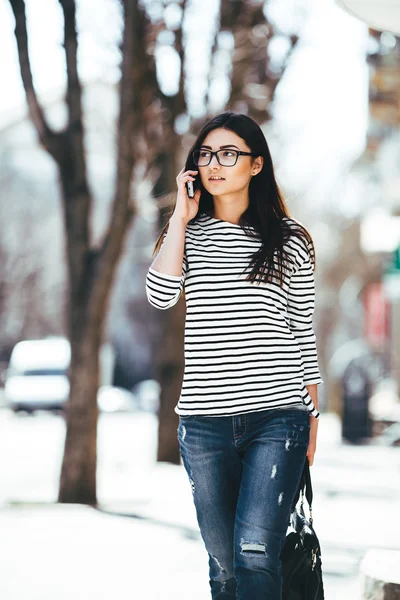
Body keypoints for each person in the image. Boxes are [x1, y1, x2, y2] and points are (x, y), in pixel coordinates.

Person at [145, 111, 322, 600]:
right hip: (203, 425)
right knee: (224, 568)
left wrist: (312, 417)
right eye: (205, 155)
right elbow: (160, 294)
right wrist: (180, 216)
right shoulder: (189, 235)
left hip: (277, 419)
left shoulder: (290, 240)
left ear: (257, 164)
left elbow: (301, 335)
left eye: (228, 154)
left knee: (255, 554)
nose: (214, 165)